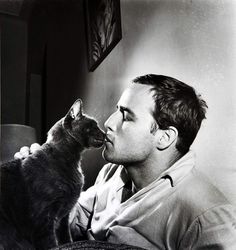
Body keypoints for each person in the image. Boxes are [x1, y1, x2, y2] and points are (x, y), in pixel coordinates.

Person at [17, 75, 236, 249]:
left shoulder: (209, 219)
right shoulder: (111, 172)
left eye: (127, 116)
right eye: (116, 111)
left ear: (164, 137)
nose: (109, 123)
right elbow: (71, 220)